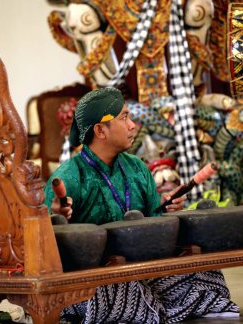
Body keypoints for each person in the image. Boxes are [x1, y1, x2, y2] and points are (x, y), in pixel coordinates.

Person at [44, 87, 239, 324]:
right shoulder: (70, 177)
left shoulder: (136, 168)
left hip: (143, 270)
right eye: (124, 118)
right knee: (118, 290)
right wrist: (56, 218)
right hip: (93, 278)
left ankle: (151, 308)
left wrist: (166, 209)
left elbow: (153, 219)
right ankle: (152, 308)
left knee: (206, 274)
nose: (133, 125)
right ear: (100, 130)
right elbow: (43, 245)